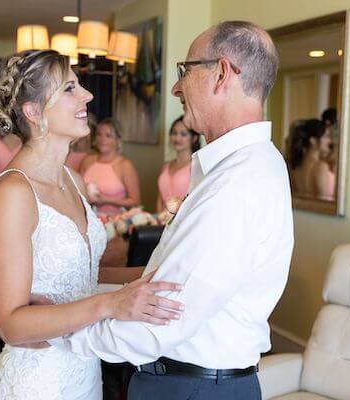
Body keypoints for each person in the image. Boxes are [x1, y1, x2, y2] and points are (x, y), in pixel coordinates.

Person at [48, 21, 294, 400]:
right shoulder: (248, 166)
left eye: (186, 70)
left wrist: (52, 331)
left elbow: (161, 319)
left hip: (191, 388)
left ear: (222, 74)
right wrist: (89, 293)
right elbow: (160, 280)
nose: (178, 86)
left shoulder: (236, 184)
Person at [0, 49, 183, 400]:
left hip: (83, 371)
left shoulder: (72, 179)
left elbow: (85, 275)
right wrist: (110, 305)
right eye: (70, 88)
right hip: (36, 382)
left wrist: (163, 273)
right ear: (33, 112)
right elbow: (11, 324)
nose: (87, 95)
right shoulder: (12, 192)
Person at [80, 118, 141, 216]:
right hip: (87, 218)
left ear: (118, 140)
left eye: (108, 136)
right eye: (99, 134)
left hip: (114, 222)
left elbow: (135, 201)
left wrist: (105, 200)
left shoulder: (125, 165)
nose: (102, 139)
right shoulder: (88, 160)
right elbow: (78, 189)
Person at [156, 116, 200, 212]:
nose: (177, 138)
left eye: (183, 134)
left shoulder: (197, 167)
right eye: (174, 133)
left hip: (184, 223)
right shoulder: (165, 166)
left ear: (194, 138)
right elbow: (160, 200)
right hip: (162, 223)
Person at [288, 118, 336, 201]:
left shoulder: (296, 169)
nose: (329, 141)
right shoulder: (321, 167)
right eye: (326, 136)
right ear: (313, 141)